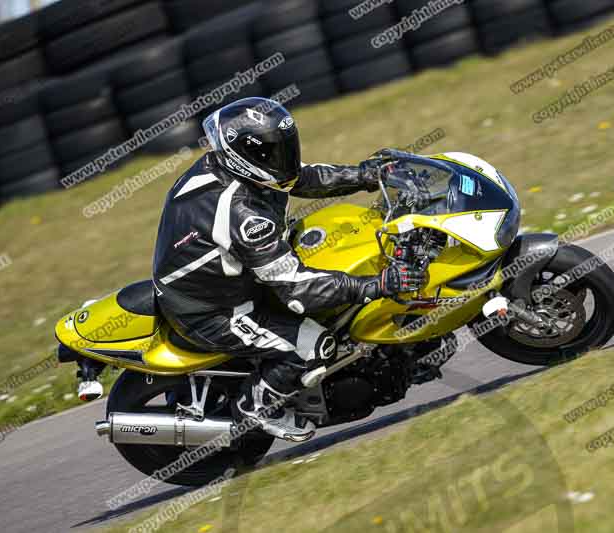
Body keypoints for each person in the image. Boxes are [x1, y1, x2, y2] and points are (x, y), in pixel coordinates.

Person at [152, 97, 425, 442]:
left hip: (232, 279)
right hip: (211, 310)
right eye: (272, 153)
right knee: (314, 345)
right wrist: (375, 286)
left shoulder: (241, 170)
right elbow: (298, 290)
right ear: (246, 157)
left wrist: (366, 175)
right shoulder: (242, 213)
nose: (283, 158)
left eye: (284, 147)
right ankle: (254, 406)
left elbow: (305, 177)